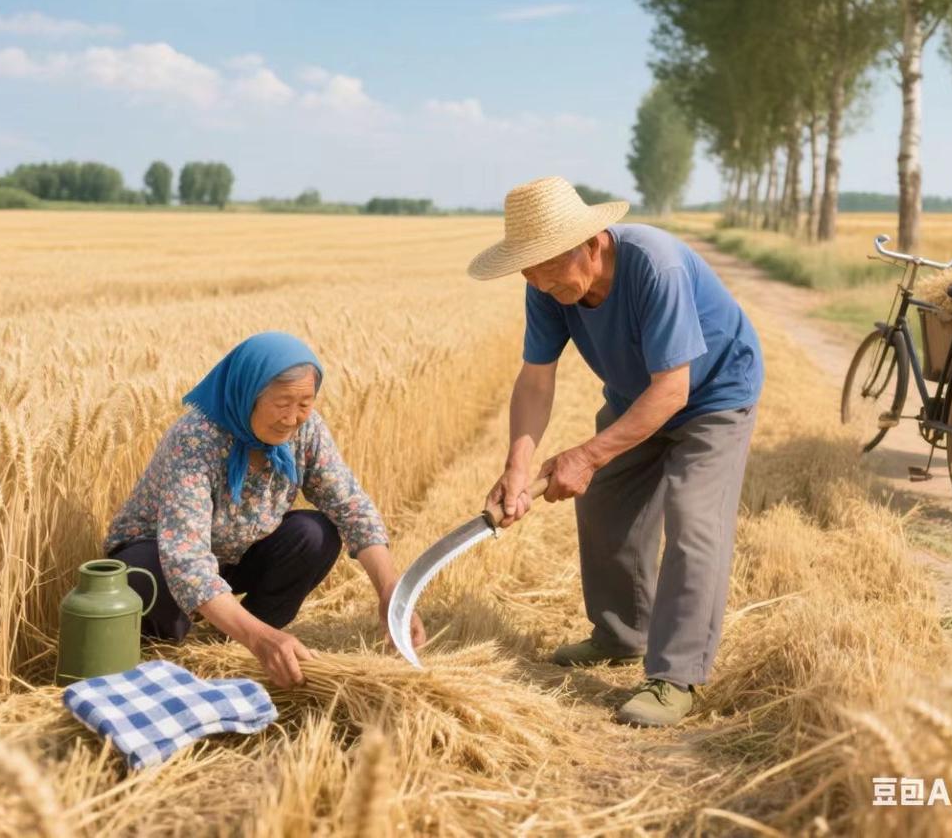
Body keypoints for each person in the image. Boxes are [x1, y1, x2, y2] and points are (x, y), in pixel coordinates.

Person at [469, 176, 763, 727]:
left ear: (594, 241)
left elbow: (674, 390)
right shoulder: (546, 286)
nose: (538, 279)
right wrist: (517, 465)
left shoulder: (656, 266)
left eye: (548, 264)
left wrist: (586, 454)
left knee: (695, 519)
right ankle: (621, 632)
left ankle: (677, 675)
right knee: (604, 501)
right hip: (638, 395)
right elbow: (536, 381)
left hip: (715, 394)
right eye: (528, 268)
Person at [105, 331, 424, 687]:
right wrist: (258, 637)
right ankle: (174, 652)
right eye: (282, 402)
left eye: (305, 403)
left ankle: (238, 645)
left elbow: (351, 506)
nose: (292, 418)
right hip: (159, 561)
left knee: (314, 534)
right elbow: (186, 559)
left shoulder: (307, 432)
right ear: (248, 395)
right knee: (144, 573)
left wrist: (390, 591)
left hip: (234, 554)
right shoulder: (197, 438)